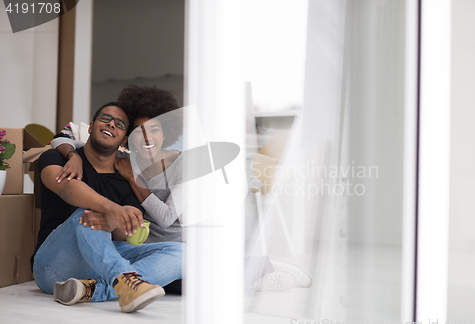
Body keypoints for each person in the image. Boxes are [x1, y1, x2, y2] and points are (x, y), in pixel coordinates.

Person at [51, 85, 312, 293]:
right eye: (139, 130)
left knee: (195, 285)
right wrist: (73, 155)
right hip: (144, 246)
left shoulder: (183, 164)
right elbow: (62, 136)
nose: (147, 137)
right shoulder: (126, 157)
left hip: (179, 246)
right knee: (166, 283)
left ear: (167, 133)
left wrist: (133, 180)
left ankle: (264, 267)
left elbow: (166, 217)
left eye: (154, 130)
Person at [32, 102, 183, 312]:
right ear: (91, 126)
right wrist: (113, 210)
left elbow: (128, 230)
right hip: (52, 266)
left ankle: (97, 290)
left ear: (124, 139)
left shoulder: (126, 179)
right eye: (106, 118)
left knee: (183, 253)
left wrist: (115, 223)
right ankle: (124, 283)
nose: (112, 124)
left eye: (120, 124)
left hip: (98, 267)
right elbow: (68, 189)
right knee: (87, 215)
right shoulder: (56, 158)